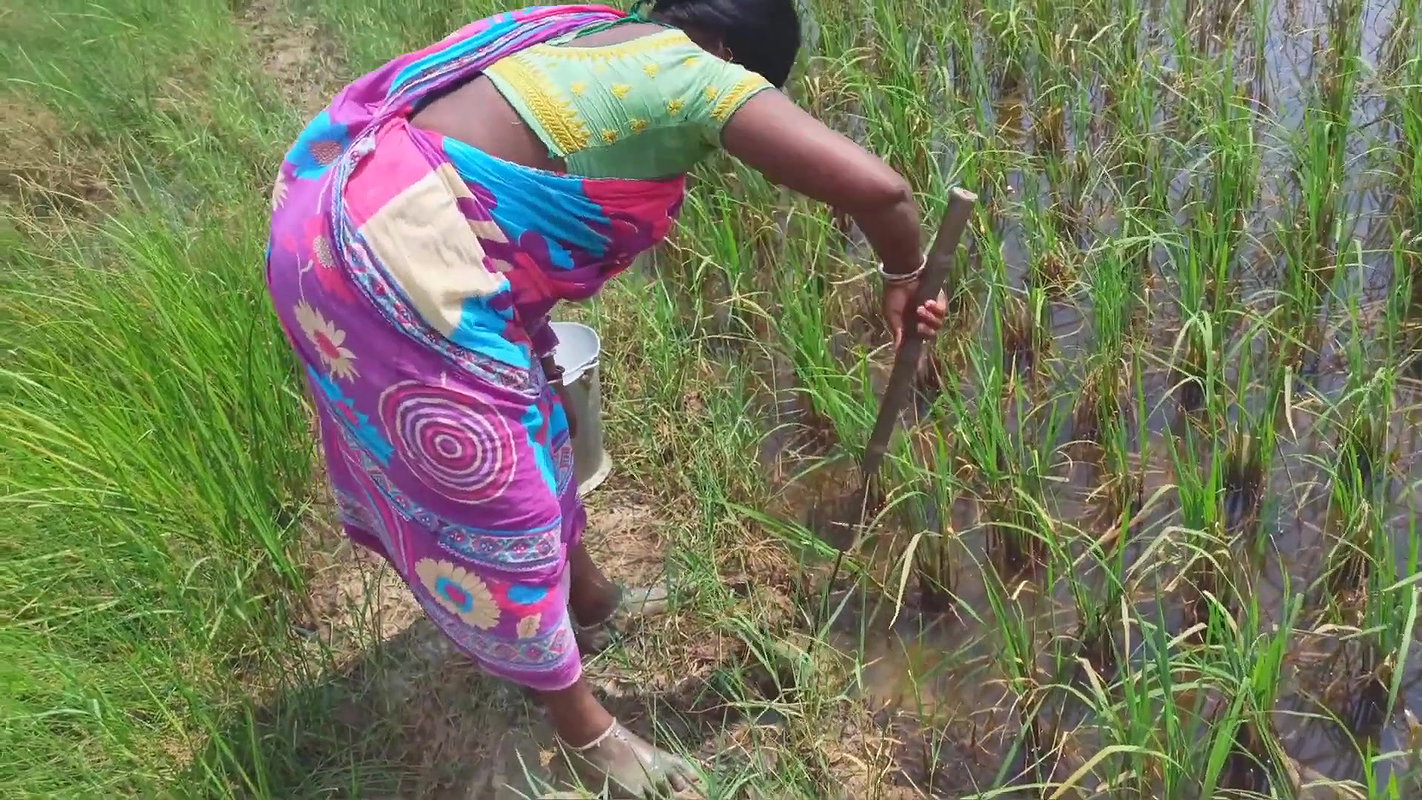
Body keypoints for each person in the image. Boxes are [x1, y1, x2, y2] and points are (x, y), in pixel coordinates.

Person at [264, 1, 948, 795]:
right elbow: (884, 193)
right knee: (506, 501)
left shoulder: (588, 29)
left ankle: (590, 600)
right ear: (729, 50)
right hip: (385, 261)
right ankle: (587, 735)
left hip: (366, 221)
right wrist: (905, 275)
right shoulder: (695, 72)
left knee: (543, 415)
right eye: (758, 84)